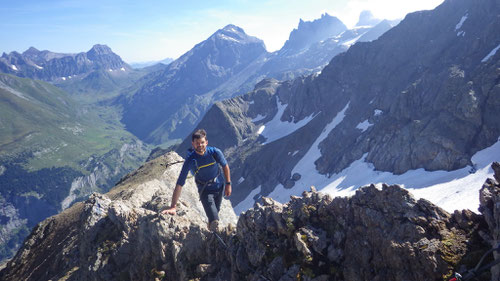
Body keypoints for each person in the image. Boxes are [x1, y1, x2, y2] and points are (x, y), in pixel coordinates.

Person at [162, 129, 231, 231]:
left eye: (202, 142)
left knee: (215, 214)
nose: (200, 145)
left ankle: (211, 231)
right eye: (197, 143)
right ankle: (216, 238)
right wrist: (173, 206)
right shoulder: (191, 160)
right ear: (193, 144)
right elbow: (180, 183)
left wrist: (228, 184)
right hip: (205, 191)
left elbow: (225, 166)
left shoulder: (215, 152)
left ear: (206, 142)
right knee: (214, 221)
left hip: (219, 187)